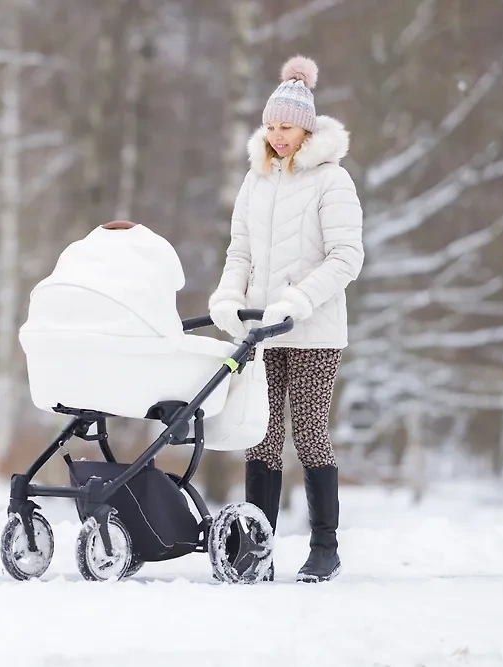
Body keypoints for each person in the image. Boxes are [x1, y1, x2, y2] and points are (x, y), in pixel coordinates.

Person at [207, 55, 364, 583]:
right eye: (270, 126)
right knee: (262, 435)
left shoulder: (332, 181)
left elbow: (346, 257)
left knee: (311, 434)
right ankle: (258, 548)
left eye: (286, 127)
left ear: (307, 128)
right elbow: (240, 252)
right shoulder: (256, 183)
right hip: (263, 331)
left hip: (315, 331)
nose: (277, 136)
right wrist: (227, 299)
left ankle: (325, 547)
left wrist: (297, 301)